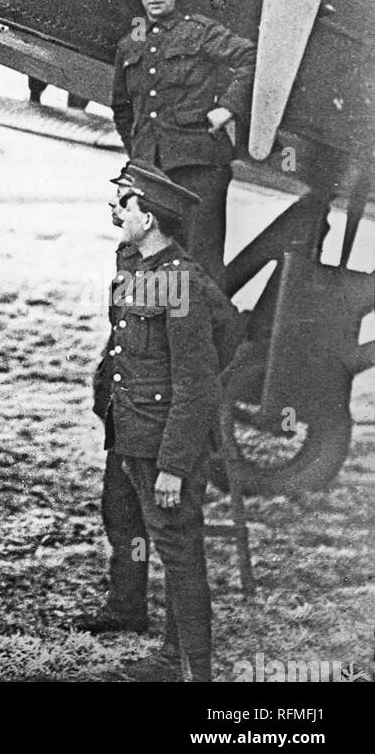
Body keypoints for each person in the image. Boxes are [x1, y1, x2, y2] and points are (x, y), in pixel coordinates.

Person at [75, 162, 229, 682]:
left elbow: (198, 380)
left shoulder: (179, 282)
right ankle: (168, 656)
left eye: (126, 204)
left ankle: (194, 672)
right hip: (130, 433)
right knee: (129, 525)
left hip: (161, 442)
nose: (116, 210)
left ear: (150, 217)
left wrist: (175, 465)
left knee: (180, 553)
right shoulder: (134, 263)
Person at [111, 0, 256, 284]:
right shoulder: (129, 46)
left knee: (198, 263)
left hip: (198, 168)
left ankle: (204, 333)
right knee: (139, 257)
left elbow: (250, 57)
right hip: (150, 173)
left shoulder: (201, 32)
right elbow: (121, 107)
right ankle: (145, 333)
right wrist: (139, 151)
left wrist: (229, 107)